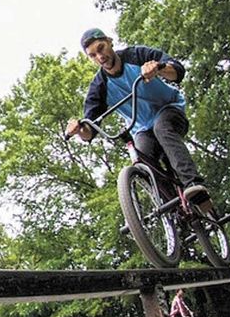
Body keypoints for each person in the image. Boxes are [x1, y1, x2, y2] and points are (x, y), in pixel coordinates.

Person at [65, 28, 213, 211]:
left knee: (161, 127)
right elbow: (89, 131)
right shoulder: (99, 86)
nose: (100, 57)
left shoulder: (136, 55)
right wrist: (79, 129)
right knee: (142, 159)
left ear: (110, 41)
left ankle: (193, 184)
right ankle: (176, 210)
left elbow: (177, 71)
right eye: (93, 55)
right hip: (142, 129)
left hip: (169, 110)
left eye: (101, 48)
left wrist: (158, 68)